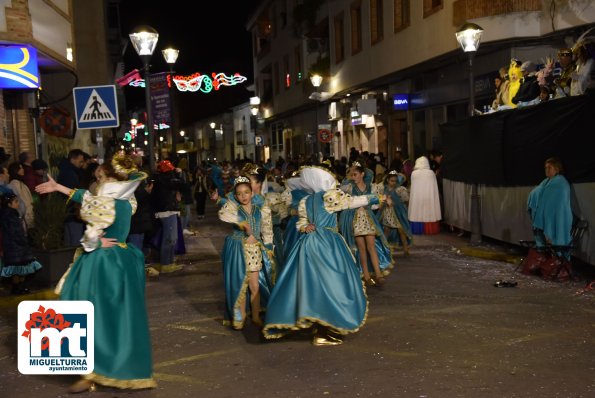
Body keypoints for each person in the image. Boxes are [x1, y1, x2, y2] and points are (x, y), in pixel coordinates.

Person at [35, 152, 157, 393]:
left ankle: (91, 371)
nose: (98, 180)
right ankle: (112, 366)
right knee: (117, 318)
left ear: (111, 179)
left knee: (88, 312)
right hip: (123, 260)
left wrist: (94, 243)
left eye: (101, 176)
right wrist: (59, 186)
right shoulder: (125, 199)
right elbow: (88, 197)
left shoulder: (107, 201)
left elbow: (91, 235)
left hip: (103, 263)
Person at [263, 166, 383, 345]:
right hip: (327, 243)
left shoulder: (306, 200)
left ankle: (316, 322)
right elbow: (352, 202)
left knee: (312, 284)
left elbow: (301, 223)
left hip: (308, 243)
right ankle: (324, 330)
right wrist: (377, 197)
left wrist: (306, 227)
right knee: (332, 284)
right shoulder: (329, 196)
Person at [218, 175, 274, 330]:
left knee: (254, 285)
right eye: (240, 193)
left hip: (254, 250)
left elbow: (267, 228)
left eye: (246, 192)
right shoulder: (234, 208)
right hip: (238, 250)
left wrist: (269, 246)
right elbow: (223, 214)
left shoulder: (259, 209)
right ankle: (241, 316)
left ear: (252, 193)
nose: (243, 196)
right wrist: (240, 223)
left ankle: (255, 316)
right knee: (240, 284)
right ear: (236, 196)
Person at [339, 161, 393, 286]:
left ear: (362, 174)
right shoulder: (349, 188)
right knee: (362, 249)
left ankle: (378, 275)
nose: (353, 177)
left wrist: (379, 204)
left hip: (368, 219)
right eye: (352, 175)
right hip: (356, 220)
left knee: (371, 247)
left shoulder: (372, 187)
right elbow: (343, 199)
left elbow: (374, 205)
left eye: (355, 174)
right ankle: (367, 277)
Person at [527, 157, 573, 257]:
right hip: (547, 216)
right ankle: (545, 260)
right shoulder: (546, 182)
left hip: (558, 217)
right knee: (540, 233)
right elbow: (535, 193)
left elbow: (554, 202)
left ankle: (557, 261)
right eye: (545, 167)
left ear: (557, 169)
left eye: (550, 167)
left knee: (555, 235)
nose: (547, 170)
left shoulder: (560, 182)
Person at [0, 192, 42, 294]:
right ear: (9, 204)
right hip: (17, 248)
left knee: (16, 270)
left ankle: (17, 288)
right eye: (15, 202)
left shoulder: (7, 215)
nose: (18, 204)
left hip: (12, 248)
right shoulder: (11, 216)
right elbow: (17, 233)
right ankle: (19, 288)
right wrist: (25, 243)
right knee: (30, 268)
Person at [57, 149, 85, 246]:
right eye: (80, 161)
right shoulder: (70, 173)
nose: (82, 164)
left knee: (69, 241)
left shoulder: (67, 171)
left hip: (68, 212)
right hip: (72, 212)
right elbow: (71, 193)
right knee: (75, 243)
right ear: (72, 159)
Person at [380, 171, 412, 255]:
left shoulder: (399, 189)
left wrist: (401, 207)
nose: (393, 183)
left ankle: (405, 249)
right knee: (386, 230)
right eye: (391, 181)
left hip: (397, 212)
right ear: (387, 180)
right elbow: (381, 199)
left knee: (401, 230)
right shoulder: (383, 188)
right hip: (387, 212)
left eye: (395, 181)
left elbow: (405, 200)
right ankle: (384, 249)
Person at [408, 156, 442, 230]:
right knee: (429, 211)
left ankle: (417, 228)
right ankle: (430, 229)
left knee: (417, 211)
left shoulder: (414, 173)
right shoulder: (431, 173)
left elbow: (413, 187)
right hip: (429, 197)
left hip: (418, 197)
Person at [8, 162, 34, 230]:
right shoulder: (15, 184)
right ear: (15, 170)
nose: (23, 169)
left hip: (26, 216)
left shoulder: (19, 182)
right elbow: (22, 201)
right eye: (20, 168)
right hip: (24, 217)